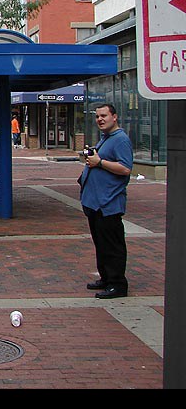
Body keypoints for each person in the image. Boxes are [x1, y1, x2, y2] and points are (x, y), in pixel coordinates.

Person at [79, 104, 133, 299]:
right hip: (95, 203)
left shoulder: (120, 140)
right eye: (97, 117)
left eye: (104, 116)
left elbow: (125, 168)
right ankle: (106, 278)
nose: (100, 119)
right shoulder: (105, 138)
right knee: (101, 244)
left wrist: (100, 162)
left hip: (109, 203)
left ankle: (117, 284)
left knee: (112, 246)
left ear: (114, 117)